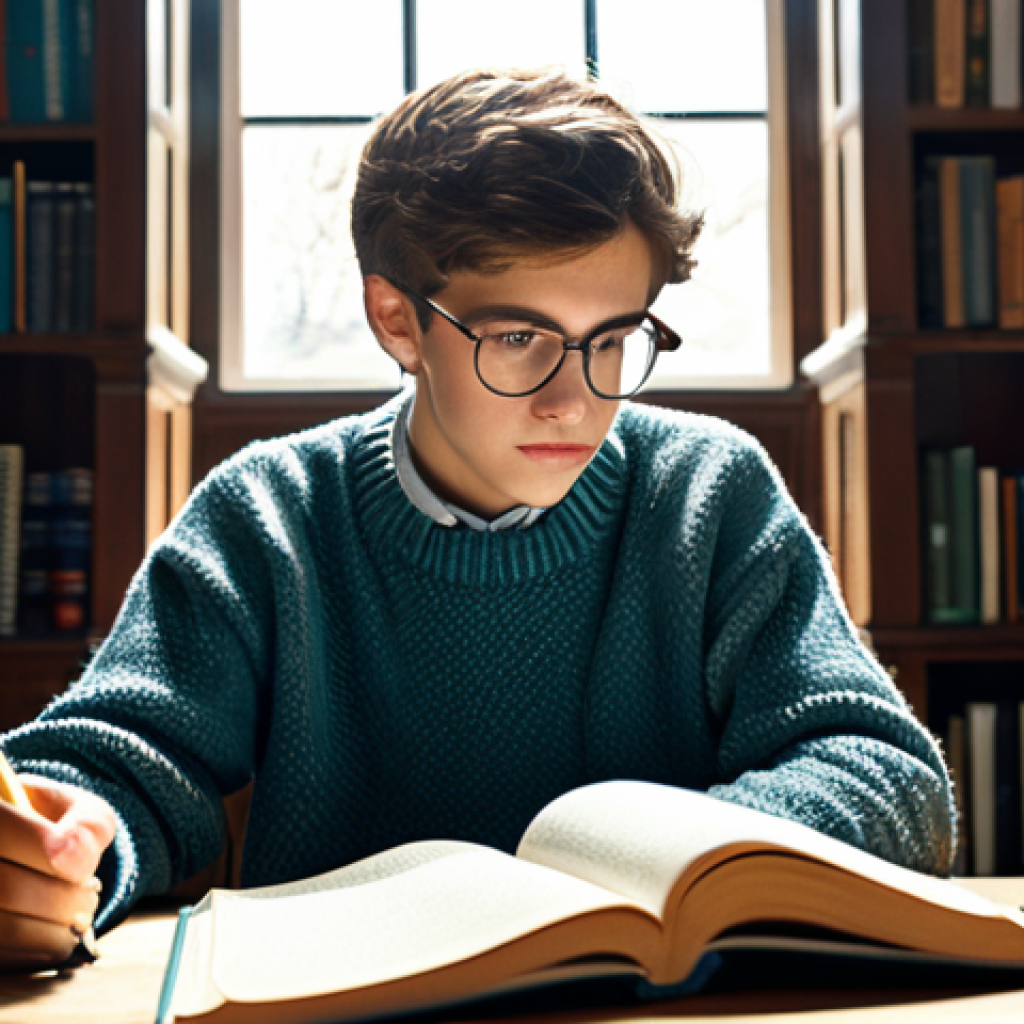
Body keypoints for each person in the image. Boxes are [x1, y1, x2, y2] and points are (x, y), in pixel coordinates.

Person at [0, 68, 955, 970]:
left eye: (612, 339)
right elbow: (118, 762)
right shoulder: (267, 514)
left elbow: (886, 774)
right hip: (340, 1004)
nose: (573, 400)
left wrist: (684, 854)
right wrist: (63, 840)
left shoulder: (710, 491)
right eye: (518, 337)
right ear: (398, 321)